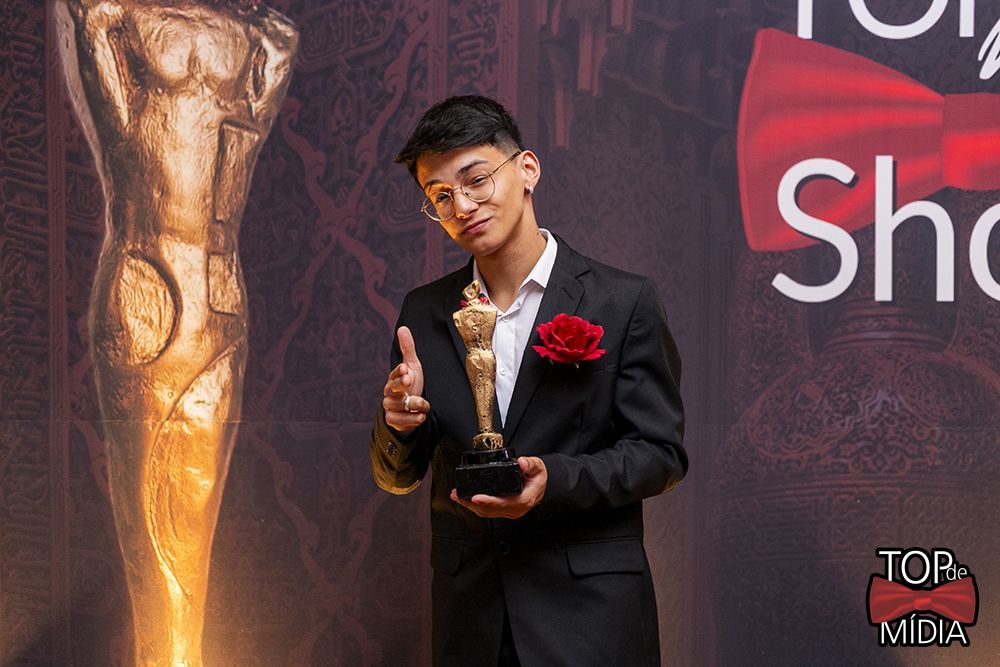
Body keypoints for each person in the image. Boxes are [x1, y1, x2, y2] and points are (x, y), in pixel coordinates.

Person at [369, 95, 686, 667]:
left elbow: (661, 455)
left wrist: (554, 480)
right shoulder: (424, 312)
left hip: (590, 617)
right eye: (440, 196)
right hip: (472, 621)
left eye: (476, 180)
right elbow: (398, 477)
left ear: (527, 170)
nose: (462, 205)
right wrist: (398, 424)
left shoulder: (621, 300)